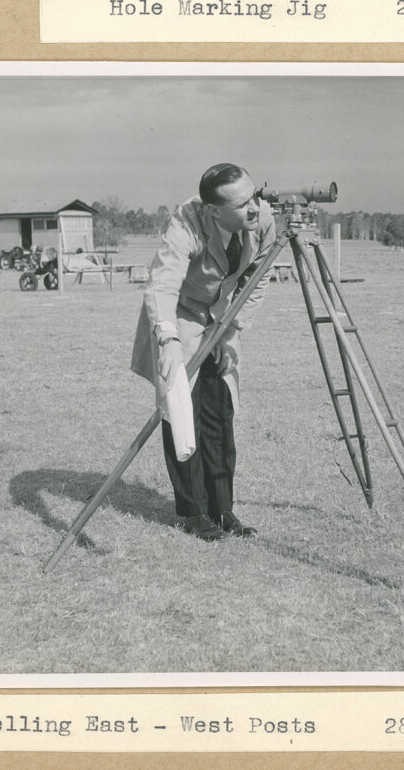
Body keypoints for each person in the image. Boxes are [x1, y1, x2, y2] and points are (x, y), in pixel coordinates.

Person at [130, 164, 276, 541]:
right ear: (214, 211)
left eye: (255, 195)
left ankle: (222, 509)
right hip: (181, 317)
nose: (255, 208)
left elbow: (255, 280)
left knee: (219, 411)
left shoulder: (264, 218)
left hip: (223, 318)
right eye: (243, 204)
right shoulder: (187, 222)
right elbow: (162, 285)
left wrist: (234, 328)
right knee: (180, 411)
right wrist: (168, 340)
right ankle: (194, 512)